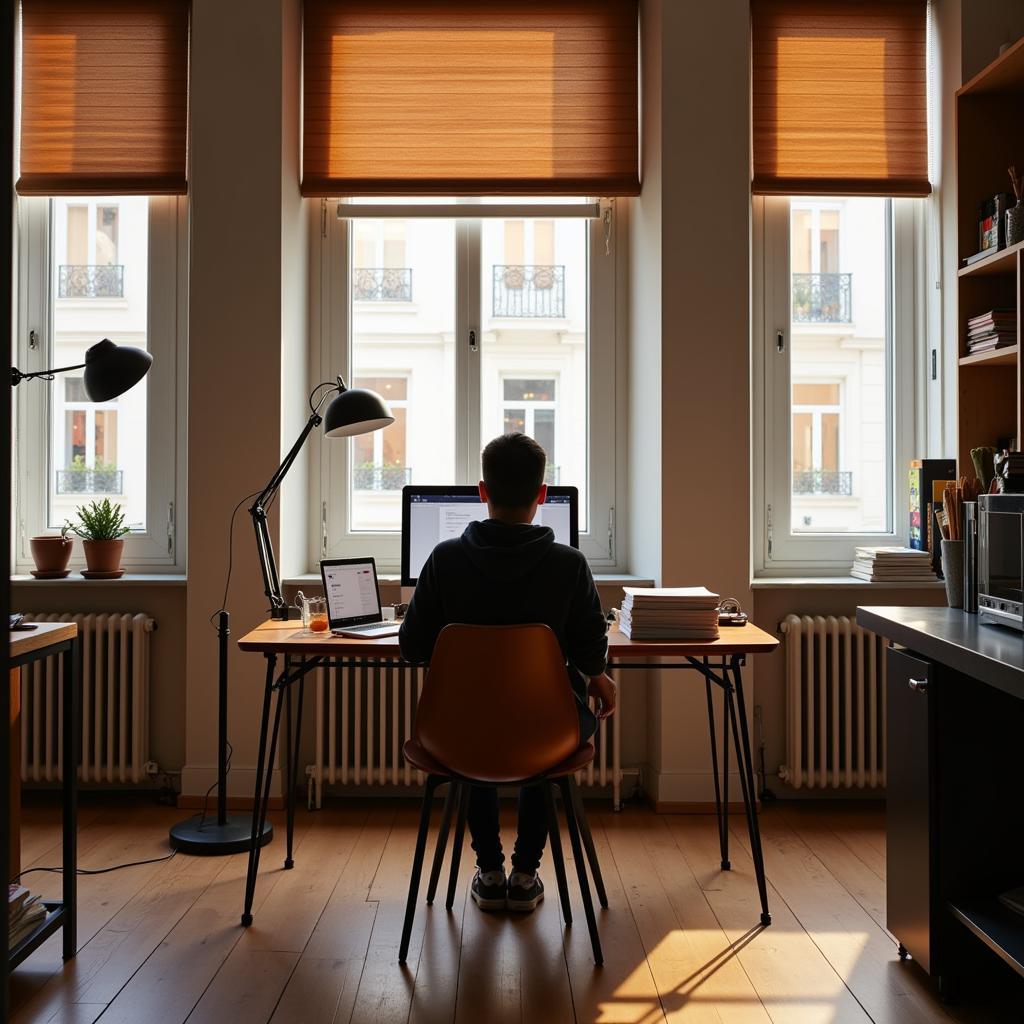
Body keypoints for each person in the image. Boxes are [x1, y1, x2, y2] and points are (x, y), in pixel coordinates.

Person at [399, 433, 617, 913]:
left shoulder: (444, 559)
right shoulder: (570, 564)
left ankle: (489, 870)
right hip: (546, 733)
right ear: (543, 495)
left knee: (479, 727)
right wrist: (599, 676)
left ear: (482, 492)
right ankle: (525, 875)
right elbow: (588, 650)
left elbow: (412, 648)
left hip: (456, 734)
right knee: (542, 728)